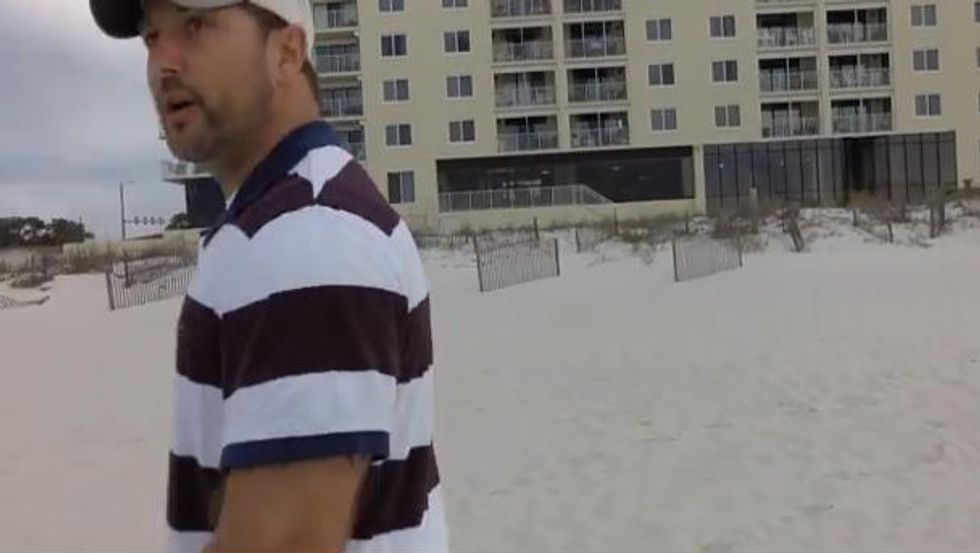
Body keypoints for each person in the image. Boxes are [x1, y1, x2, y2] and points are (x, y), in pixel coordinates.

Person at [88, 1, 447, 551]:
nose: (163, 61)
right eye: (151, 36)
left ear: (287, 52)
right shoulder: (288, 220)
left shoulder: (308, 238)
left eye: (195, 24)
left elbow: (283, 543)